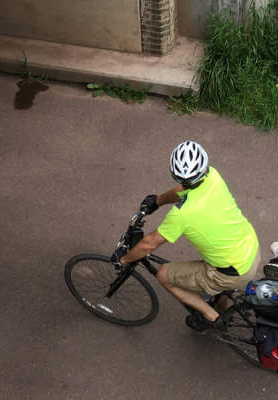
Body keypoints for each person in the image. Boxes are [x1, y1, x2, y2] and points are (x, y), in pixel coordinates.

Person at [111, 141, 260, 332]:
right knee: (215, 264)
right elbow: (184, 190)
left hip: (232, 272)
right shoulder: (213, 175)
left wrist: (123, 259)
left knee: (164, 274)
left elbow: (149, 245)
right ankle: (222, 305)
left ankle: (211, 317)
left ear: (175, 175)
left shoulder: (182, 215)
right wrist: (158, 201)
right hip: (250, 247)